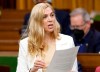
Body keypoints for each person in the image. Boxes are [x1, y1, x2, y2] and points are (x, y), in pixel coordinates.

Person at [16, 3, 78, 72]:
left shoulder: (67, 41)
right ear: (37, 21)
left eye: (52, 15)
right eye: (45, 17)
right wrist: (33, 70)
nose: (50, 19)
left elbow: (74, 69)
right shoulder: (25, 44)